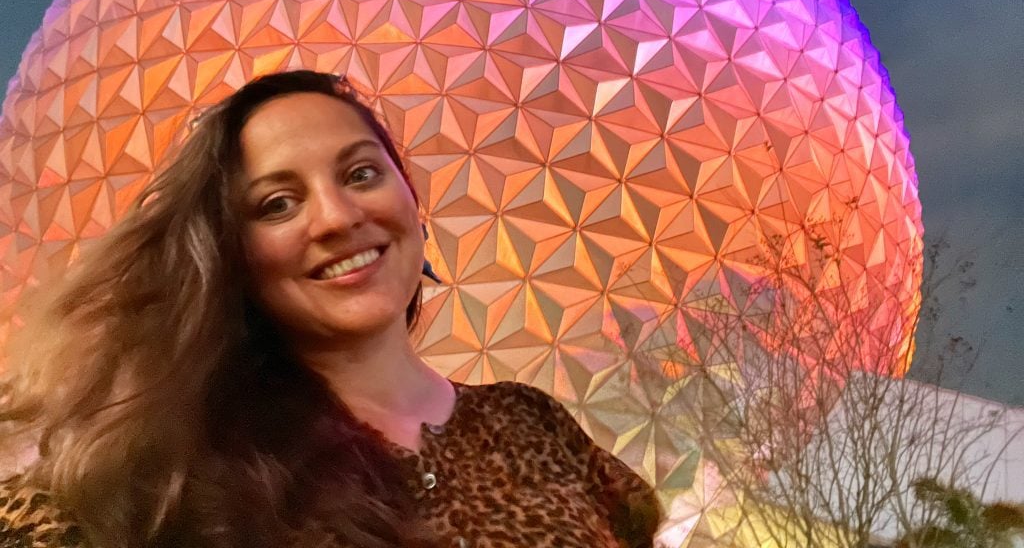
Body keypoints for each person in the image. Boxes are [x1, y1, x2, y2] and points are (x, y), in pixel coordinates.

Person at [0, 70, 659, 548]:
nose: (339, 217)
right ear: (232, 256)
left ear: (411, 197)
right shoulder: (173, 465)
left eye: (361, 173)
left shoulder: (530, 424)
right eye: (277, 204)